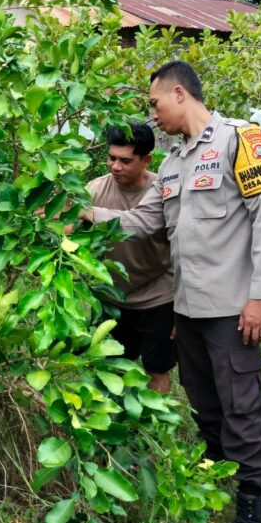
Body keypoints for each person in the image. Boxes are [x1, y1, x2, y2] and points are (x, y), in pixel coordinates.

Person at [81, 61, 261, 523]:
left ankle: (254, 521)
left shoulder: (242, 140)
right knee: (205, 402)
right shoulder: (172, 166)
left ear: (178, 93)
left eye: (154, 104)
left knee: (241, 406)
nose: (152, 116)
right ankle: (219, 484)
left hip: (232, 309)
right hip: (188, 309)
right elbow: (144, 224)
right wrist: (83, 210)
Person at [88, 123, 175, 394]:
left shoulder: (162, 190)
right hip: (113, 298)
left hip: (158, 296)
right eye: (111, 158)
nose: (115, 166)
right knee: (109, 367)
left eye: (125, 161)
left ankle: (154, 427)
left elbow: (139, 225)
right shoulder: (94, 190)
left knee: (156, 369)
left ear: (146, 160)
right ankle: (116, 426)